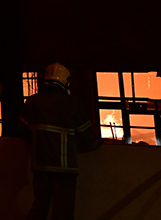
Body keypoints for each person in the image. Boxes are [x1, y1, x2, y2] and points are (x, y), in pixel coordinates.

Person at [20, 62, 101, 220]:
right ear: (66, 81)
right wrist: (98, 144)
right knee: (63, 213)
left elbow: (22, 131)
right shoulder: (72, 105)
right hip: (65, 170)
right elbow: (89, 140)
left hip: (40, 166)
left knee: (39, 208)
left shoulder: (32, 103)